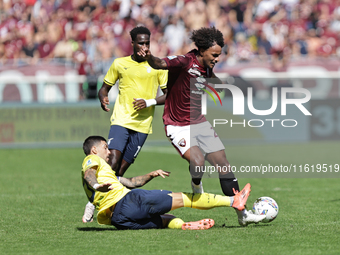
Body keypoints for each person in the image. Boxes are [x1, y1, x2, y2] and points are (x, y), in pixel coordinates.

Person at [137, 26, 265, 226]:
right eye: (214, 54)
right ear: (202, 50)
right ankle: (196, 184)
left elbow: (211, 78)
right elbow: (160, 63)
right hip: (177, 125)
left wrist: (220, 84)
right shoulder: (184, 61)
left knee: (223, 163)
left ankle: (243, 214)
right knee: (198, 162)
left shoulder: (206, 66)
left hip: (200, 123)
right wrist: (149, 56)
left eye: (219, 55)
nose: (217, 58)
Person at [81, 135, 262, 230]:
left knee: (164, 221)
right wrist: (97, 185)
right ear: (94, 149)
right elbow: (89, 174)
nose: (109, 152)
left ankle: (183, 226)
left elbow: (131, 182)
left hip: (119, 220)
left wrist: (150, 175)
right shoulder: (91, 160)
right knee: (186, 198)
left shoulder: (106, 174)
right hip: (129, 201)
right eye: (106, 148)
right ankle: (233, 201)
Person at [82, 26, 168, 222]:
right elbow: (104, 89)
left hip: (143, 125)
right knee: (112, 162)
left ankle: (110, 205)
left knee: (120, 172)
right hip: (121, 120)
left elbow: (168, 95)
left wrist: (149, 102)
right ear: (133, 43)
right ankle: (93, 201)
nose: (144, 46)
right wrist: (102, 98)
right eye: (141, 43)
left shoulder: (158, 66)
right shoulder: (120, 64)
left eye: (147, 43)